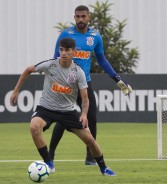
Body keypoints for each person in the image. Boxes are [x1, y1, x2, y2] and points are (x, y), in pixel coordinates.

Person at [10, 38, 116, 176]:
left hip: (67, 111)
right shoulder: (50, 65)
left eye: (67, 50)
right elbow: (29, 70)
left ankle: (104, 168)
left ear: (74, 52)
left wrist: (83, 114)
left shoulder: (78, 72)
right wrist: (16, 90)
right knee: (34, 127)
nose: (64, 53)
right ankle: (49, 163)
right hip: (46, 109)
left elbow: (85, 98)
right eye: (61, 50)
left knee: (90, 140)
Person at [49, 5, 132, 165]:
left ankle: (90, 157)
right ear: (74, 17)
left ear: (89, 17)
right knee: (62, 120)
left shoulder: (95, 36)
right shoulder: (66, 34)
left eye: (83, 16)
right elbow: (55, 57)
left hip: (84, 84)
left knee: (92, 118)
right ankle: (50, 155)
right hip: (66, 84)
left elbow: (102, 60)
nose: (80, 19)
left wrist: (117, 78)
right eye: (78, 16)